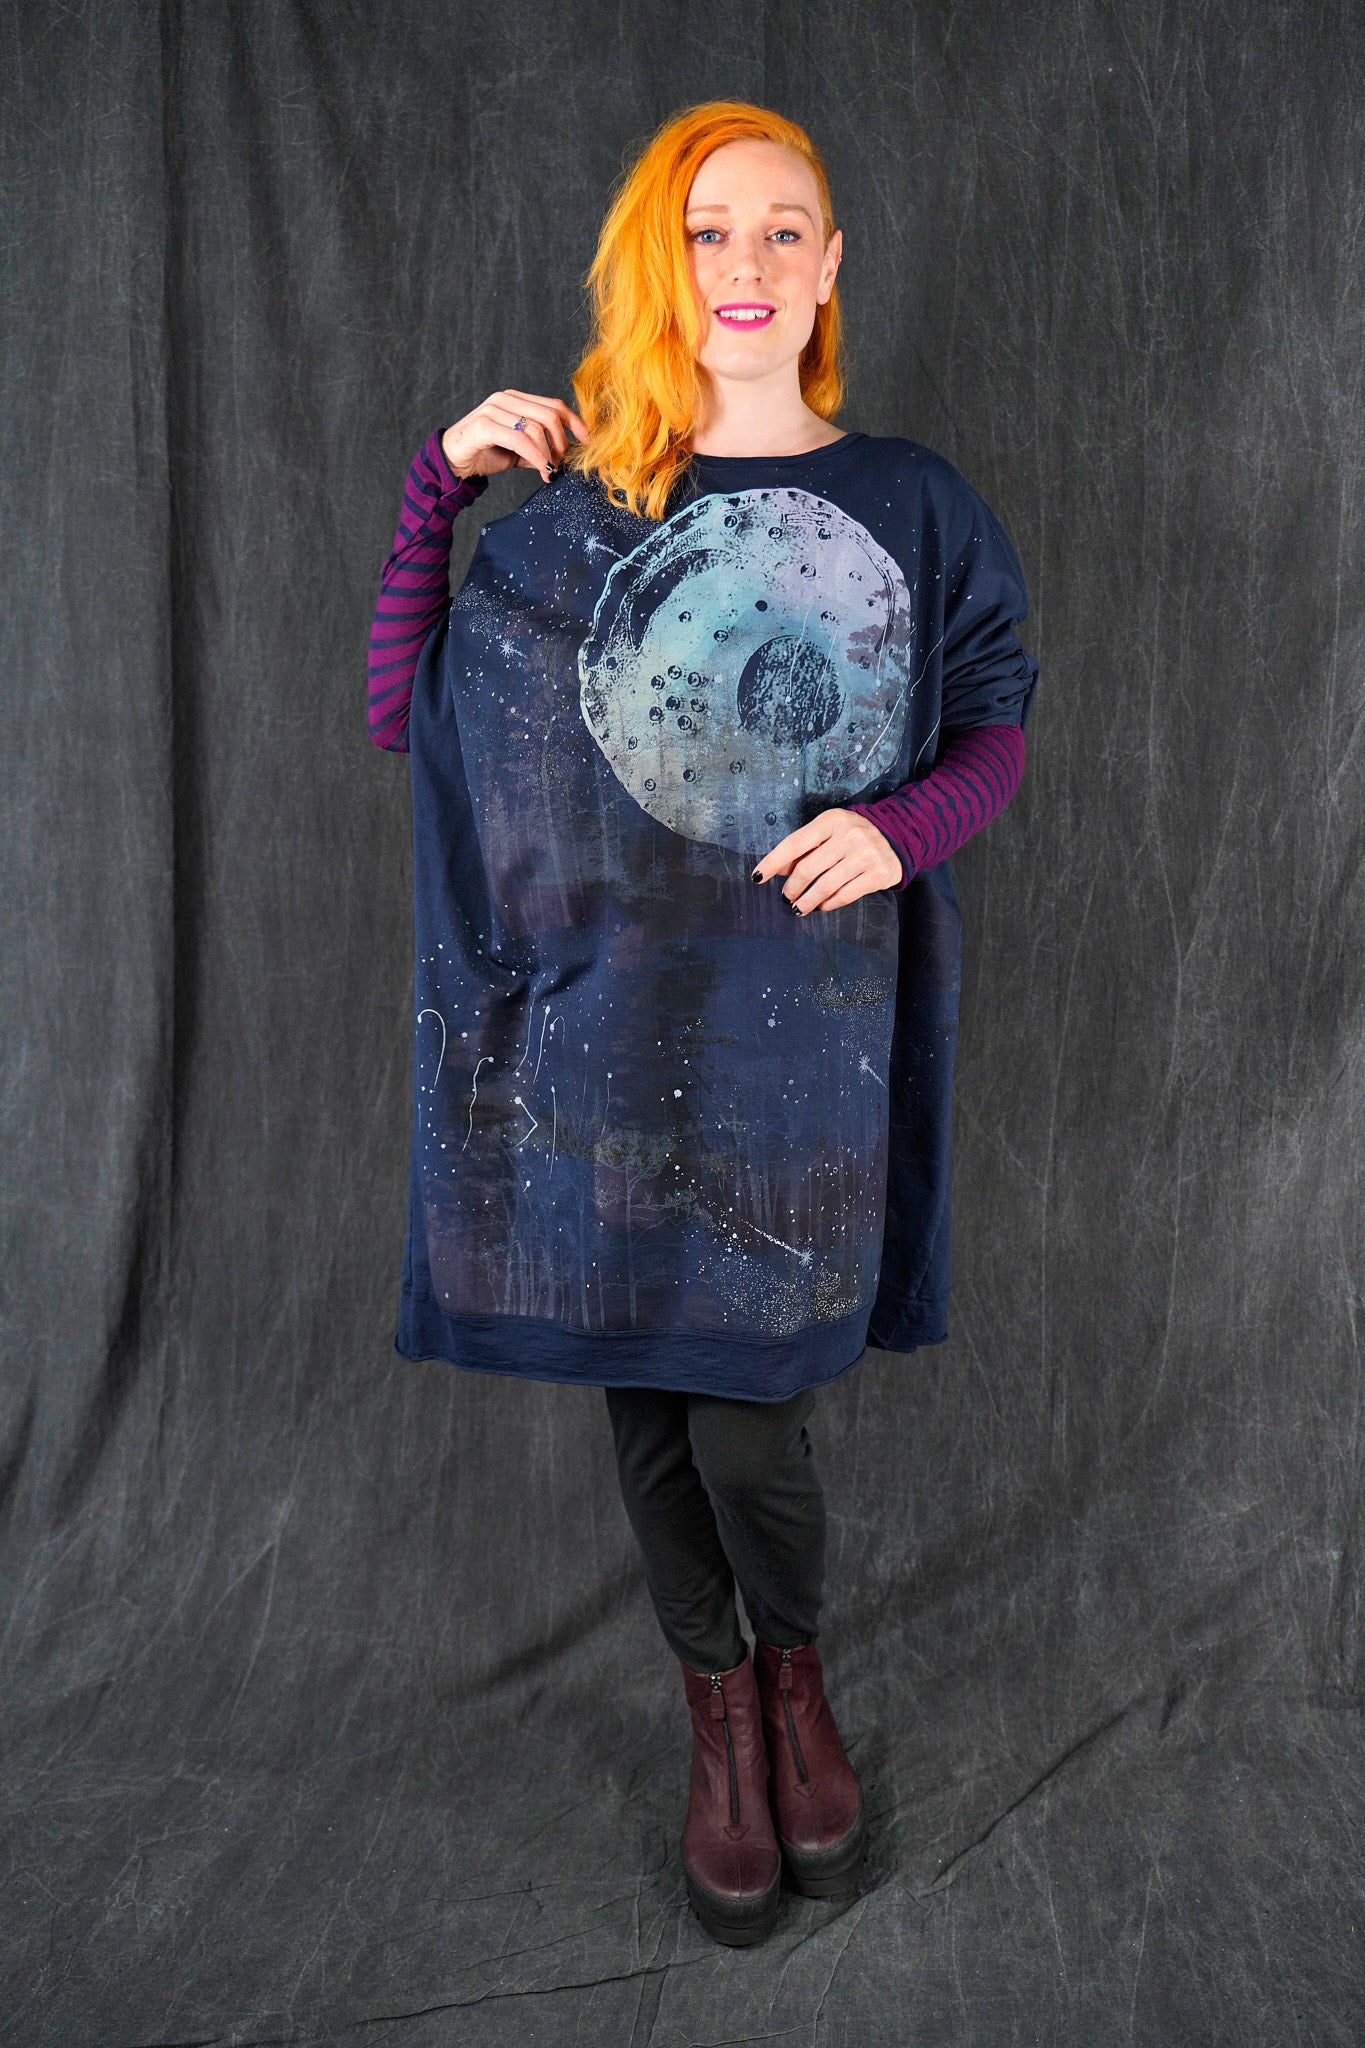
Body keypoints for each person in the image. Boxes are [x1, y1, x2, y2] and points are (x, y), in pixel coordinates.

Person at [366, 99, 1039, 1947]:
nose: (743, 262)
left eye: (779, 230)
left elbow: (993, 720)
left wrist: (899, 829)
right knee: (652, 1418)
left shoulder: (909, 501)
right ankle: (721, 1724)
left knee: (750, 1426)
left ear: (829, 269)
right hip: (602, 1036)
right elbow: (409, 716)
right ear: (660, 267)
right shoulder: (588, 514)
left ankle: (796, 1677)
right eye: (706, 230)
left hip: (795, 1050)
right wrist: (437, 489)